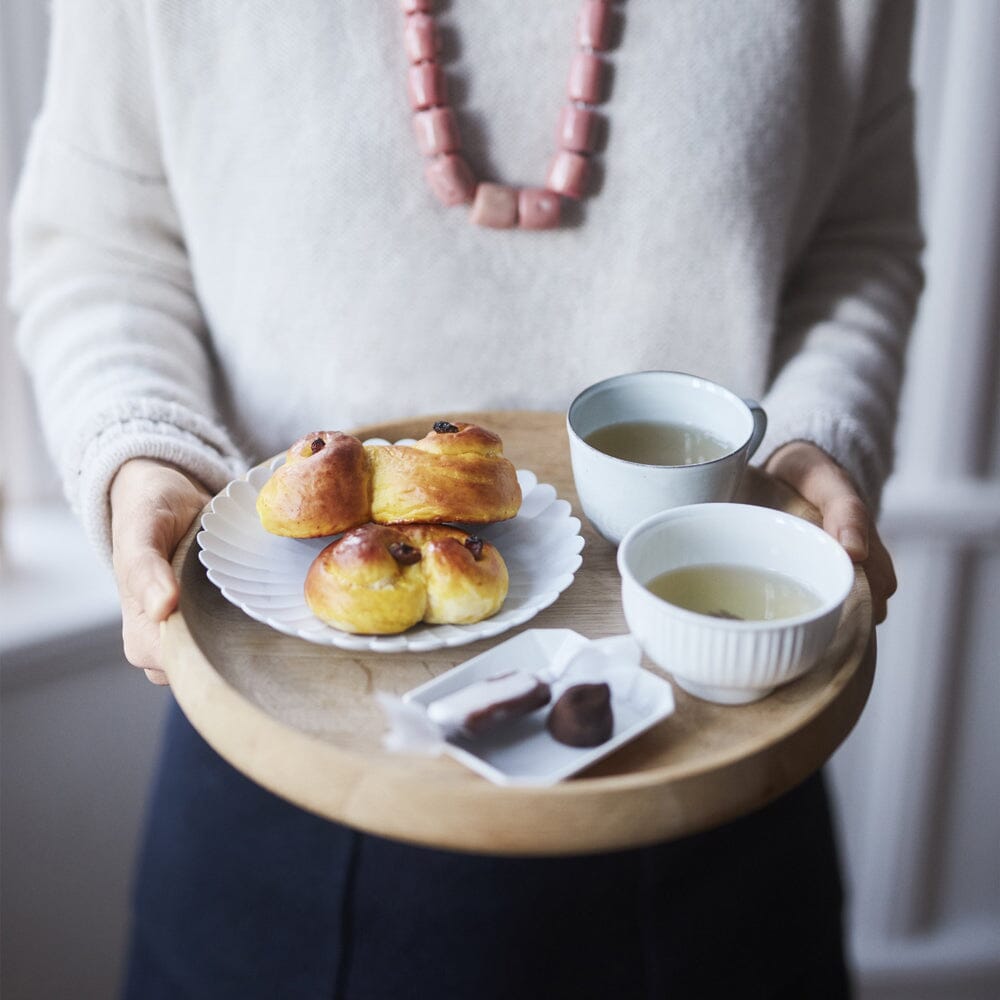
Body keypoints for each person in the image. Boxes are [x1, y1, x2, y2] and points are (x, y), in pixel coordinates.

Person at [9, 1, 921, 997]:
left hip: (710, 747)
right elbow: (100, 243)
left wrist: (816, 436)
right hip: (283, 754)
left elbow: (858, 237)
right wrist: (145, 451)